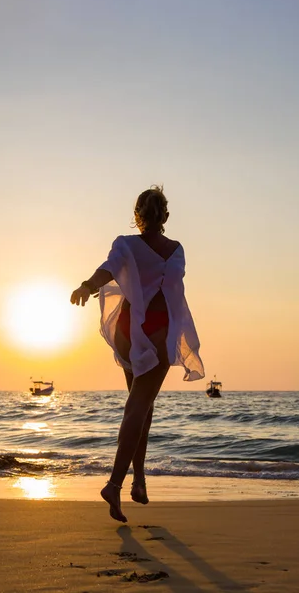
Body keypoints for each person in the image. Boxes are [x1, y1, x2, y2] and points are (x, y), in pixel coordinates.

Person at [70, 186, 204, 522]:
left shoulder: (125, 245)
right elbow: (172, 287)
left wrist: (87, 286)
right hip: (155, 330)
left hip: (128, 330)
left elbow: (109, 269)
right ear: (166, 216)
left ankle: (139, 481)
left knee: (143, 405)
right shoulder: (175, 251)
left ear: (137, 216)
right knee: (138, 406)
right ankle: (115, 484)